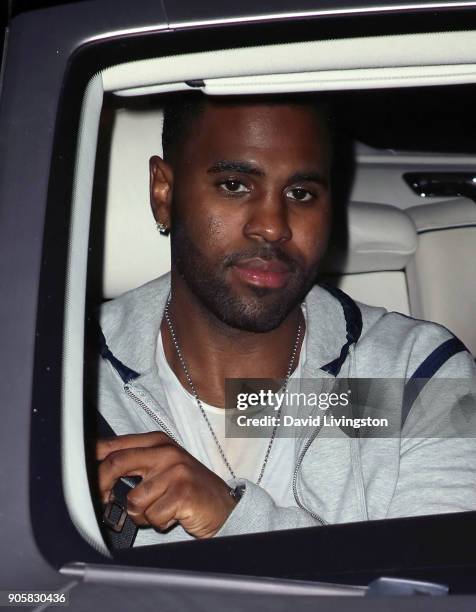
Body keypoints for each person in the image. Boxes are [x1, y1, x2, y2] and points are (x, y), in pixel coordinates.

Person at [94, 93, 476, 547]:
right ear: (165, 192)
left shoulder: (413, 377)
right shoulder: (60, 377)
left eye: (301, 193)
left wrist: (232, 519)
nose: (273, 225)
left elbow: (437, 589)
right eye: (235, 185)